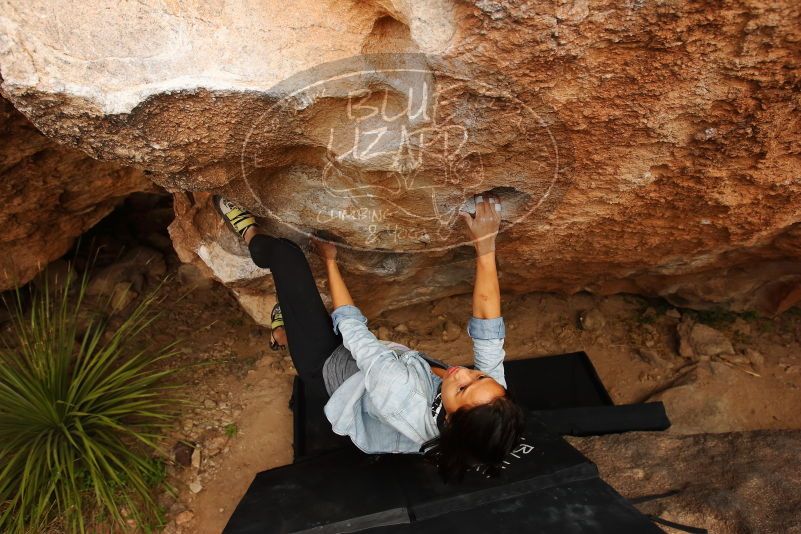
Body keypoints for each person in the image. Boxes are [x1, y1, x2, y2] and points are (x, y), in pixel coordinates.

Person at [214, 193, 524, 482]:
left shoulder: (400, 393)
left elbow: (353, 330)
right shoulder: (490, 404)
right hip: (367, 372)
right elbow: (487, 326)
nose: (463, 372)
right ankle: (284, 335)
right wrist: (485, 245)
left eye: (462, 388)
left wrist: (330, 261)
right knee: (299, 321)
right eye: (479, 375)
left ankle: (250, 235)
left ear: (451, 422)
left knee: (286, 255)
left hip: (327, 366)